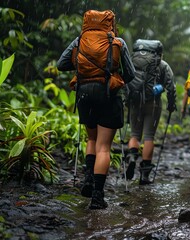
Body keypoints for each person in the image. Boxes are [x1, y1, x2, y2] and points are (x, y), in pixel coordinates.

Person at [57, 10, 135, 209]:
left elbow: (61, 64)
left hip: (84, 95)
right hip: (108, 95)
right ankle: (98, 197)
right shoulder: (117, 42)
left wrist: (83, 68)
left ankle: (88, 180)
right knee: (103, 147)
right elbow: (131, 73)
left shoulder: (79, 40)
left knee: (91, 139)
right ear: (109, 23)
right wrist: (115, 77)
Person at [125, 40, 177, 185]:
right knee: (149, 136)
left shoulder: (133, 61)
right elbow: (171, 87)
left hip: (135, 102)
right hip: (153, 103)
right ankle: (144, 175)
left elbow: (125, 78)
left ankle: (132, 157)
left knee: (135, 134)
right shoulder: (162, 64)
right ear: (158, 53)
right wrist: (172, 105)